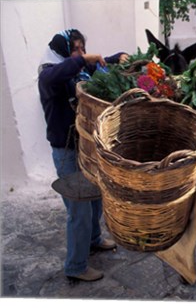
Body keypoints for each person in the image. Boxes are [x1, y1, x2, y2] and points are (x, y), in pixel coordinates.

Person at [38, 29, 128, 282]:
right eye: (76, 49)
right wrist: (83, 59)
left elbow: (92, 68)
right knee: (78, 211)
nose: (80, 54)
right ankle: (76, 267)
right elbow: (61, 73)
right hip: (66, 152)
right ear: (64, 51)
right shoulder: (48, 74)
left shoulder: (77, 71)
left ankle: (94, 240)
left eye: (82, 48)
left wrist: (114, 58)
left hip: (85, 147)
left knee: (95, 198)